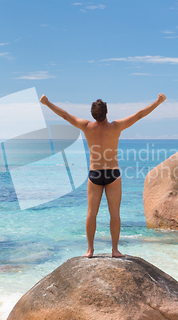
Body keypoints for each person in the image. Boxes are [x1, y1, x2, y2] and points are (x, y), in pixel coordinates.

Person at [40, 93, 167, 258]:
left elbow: (65, 116)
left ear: (93, 115)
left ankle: (90, 250)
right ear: (107, 113)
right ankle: (115, 250)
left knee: (91, 213)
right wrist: (158, 101)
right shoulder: (115, 127)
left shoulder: (86, 126)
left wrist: (47, 102)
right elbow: (139, 115)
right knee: (114, 213)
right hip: (113, 173)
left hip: (95, 173)